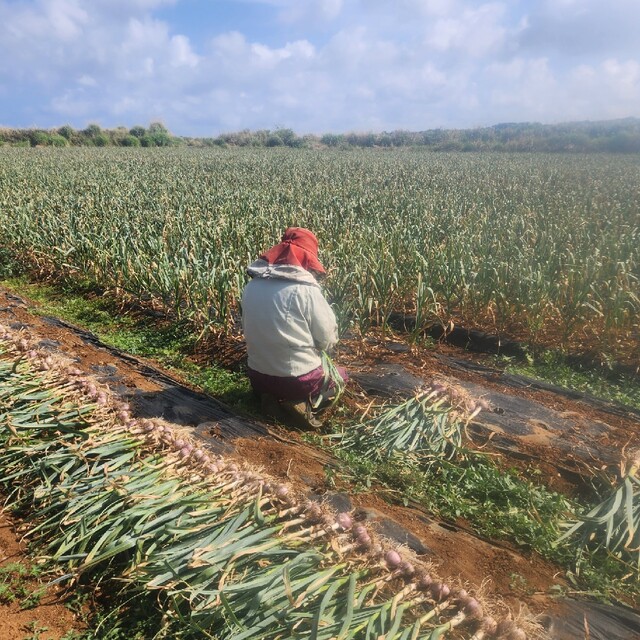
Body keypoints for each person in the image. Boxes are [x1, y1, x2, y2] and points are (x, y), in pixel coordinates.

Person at [241, 227, 347, 429]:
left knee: (273, 375)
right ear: (306, 260)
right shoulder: (306, 290)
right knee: (341, 376)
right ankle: (303, 404)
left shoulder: (251, 287)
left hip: (257, 377)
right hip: (298, 381)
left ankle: (268, 397)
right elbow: (326, 338)